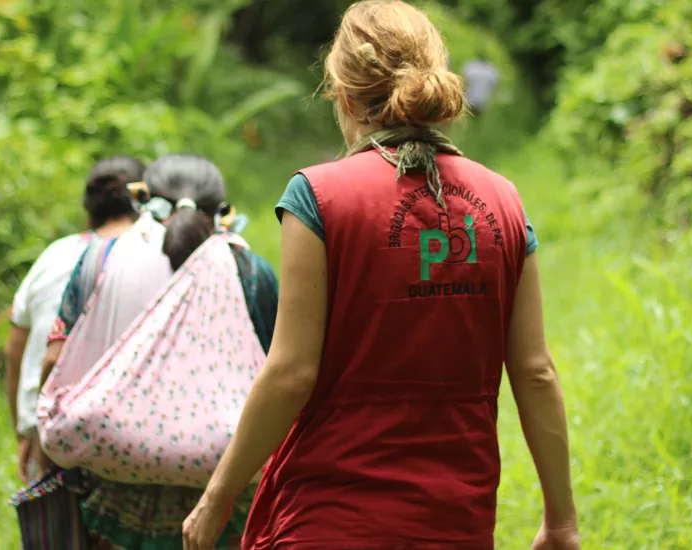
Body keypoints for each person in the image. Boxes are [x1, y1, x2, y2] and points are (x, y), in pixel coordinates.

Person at [182, 1, 579, 550]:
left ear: (343, 95)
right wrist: (560, 521)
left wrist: (217, 497)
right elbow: (534, 372)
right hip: (455, 519)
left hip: (327, 515)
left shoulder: (317, 196)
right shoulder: (504, 201)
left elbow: (292, 373)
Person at [40, 153, 279, 550]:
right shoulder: (250, 270)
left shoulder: (102, 258)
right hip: (224, 483)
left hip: (114, 472)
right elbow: (277, 374)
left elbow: (54, 359)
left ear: (142, 199)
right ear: (221, 210)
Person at [5, 156, 145, 484]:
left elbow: (15, 350)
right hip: (128, 439)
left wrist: (25, 429)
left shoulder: (54, 254)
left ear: (89, 207)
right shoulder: (154, 258)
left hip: (49, 431)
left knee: (52, 518)